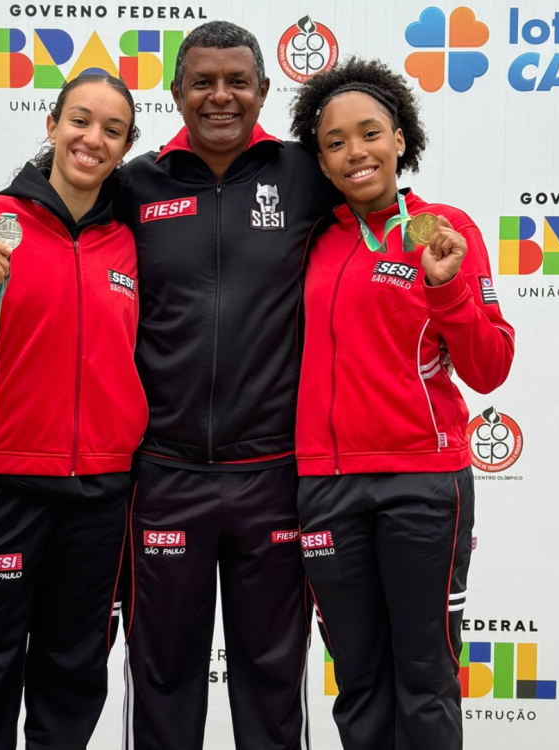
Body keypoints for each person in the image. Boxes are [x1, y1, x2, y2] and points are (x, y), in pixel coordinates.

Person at [0, 73, 148, 750]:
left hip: (102, 497)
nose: (92, 139)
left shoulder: (129, 241)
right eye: (80, 120)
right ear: (51, 124)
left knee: (72, 680)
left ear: (126, 147)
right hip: (4, 486)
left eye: (111, 130)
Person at [118, 20, 335, 750]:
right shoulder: (134, 184)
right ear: (175, 92)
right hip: (165, 474)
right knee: (163, 674)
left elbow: (384, 232)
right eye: (202, 82)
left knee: (273, 679)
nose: (220, 96)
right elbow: (58, 237)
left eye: (237, 81)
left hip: (274, 475)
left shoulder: (306, 174)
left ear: (264, 90)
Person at [290, 58, 515, 750]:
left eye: (370, 134)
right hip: (324, 486)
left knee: (425, 677)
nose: (355, 152)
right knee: (357, 681)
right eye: (335, 142)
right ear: (320, 161)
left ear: (400, 140)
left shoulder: (443, 230)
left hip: (421, 482)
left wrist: (445, 288)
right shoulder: (309, 240)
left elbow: (490, 367)